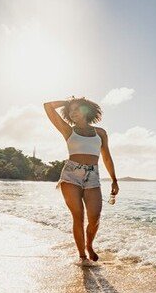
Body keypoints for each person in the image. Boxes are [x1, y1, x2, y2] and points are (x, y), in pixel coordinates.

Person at [44, 97, 119, 266]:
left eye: (78, 109)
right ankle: (82, 256)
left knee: (95, 216)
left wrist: (114, 179)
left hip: (93, 175)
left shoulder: (100, 133)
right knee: (78, 217)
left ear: (87, 110)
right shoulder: (67, 130)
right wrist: (68, 103)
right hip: (71, 175)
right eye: (71, 111)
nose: (73, 112)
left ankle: (89, 245)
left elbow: (106, 157)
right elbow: (47, 107)